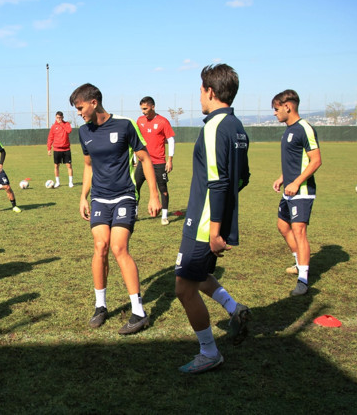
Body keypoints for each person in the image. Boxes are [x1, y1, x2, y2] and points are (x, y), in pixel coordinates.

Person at [174, 64, 251, 374]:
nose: (199, 97)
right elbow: (241, 178)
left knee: (183, 287)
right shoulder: (237, 126)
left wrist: (215, 229)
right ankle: (235, 308)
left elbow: (218, 183)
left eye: (200, 90)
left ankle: (209, 352)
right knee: (199, 274)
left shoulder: (213, 127)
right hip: (215, 218)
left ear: (210, 91)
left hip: (204, 222)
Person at [70, 83, 161, 335]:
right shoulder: (83, 132)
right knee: (100, 247)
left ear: (94, 102)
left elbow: (145, 158)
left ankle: (139, 312)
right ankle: (100, 306)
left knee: (119, 247)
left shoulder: (124, 125)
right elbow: (88, 166)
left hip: (124, 196)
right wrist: (83, 196)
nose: (78, 113)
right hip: (99, 197)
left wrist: (154, 195)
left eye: (80, 108)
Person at [271, 89, 322, 296]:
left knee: (299, 232)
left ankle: (303, 279)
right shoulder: (288, 129)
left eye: (276, 109)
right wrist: (283, 178)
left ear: (287, 106)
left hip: (301, 191)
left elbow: (316, 160)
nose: (275, 113)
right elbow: (293, 161)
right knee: (283, 226)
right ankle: (298, 262)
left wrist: (297, 182)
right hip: (290, 190)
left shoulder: (304, 129)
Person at [135, 96, 175, 225]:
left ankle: (164, 216)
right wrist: (135, 158)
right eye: (142, 109)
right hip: (143, 162)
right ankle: (134, 213)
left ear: (153, 106)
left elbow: (171, 140)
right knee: (135, 188)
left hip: (159, 162)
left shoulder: (163, 121)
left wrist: (170, 160)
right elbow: (136, 140)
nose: (143, 112)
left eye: (145, 108)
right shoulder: (140, 120)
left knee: (163, 189)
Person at [47, 111, 74, 188]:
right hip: (57, 149)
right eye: (57, 117)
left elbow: (69, 131)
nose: (58, 119)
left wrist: (61, 124)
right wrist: (49, 149)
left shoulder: (66, 124)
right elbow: (50, 138)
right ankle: (57, 182)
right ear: (55, 117)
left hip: (66, 149)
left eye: (60, 117)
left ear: (62, 117)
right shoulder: (53, 126)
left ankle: (70, 182)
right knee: (56, 166)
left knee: (69, 165)